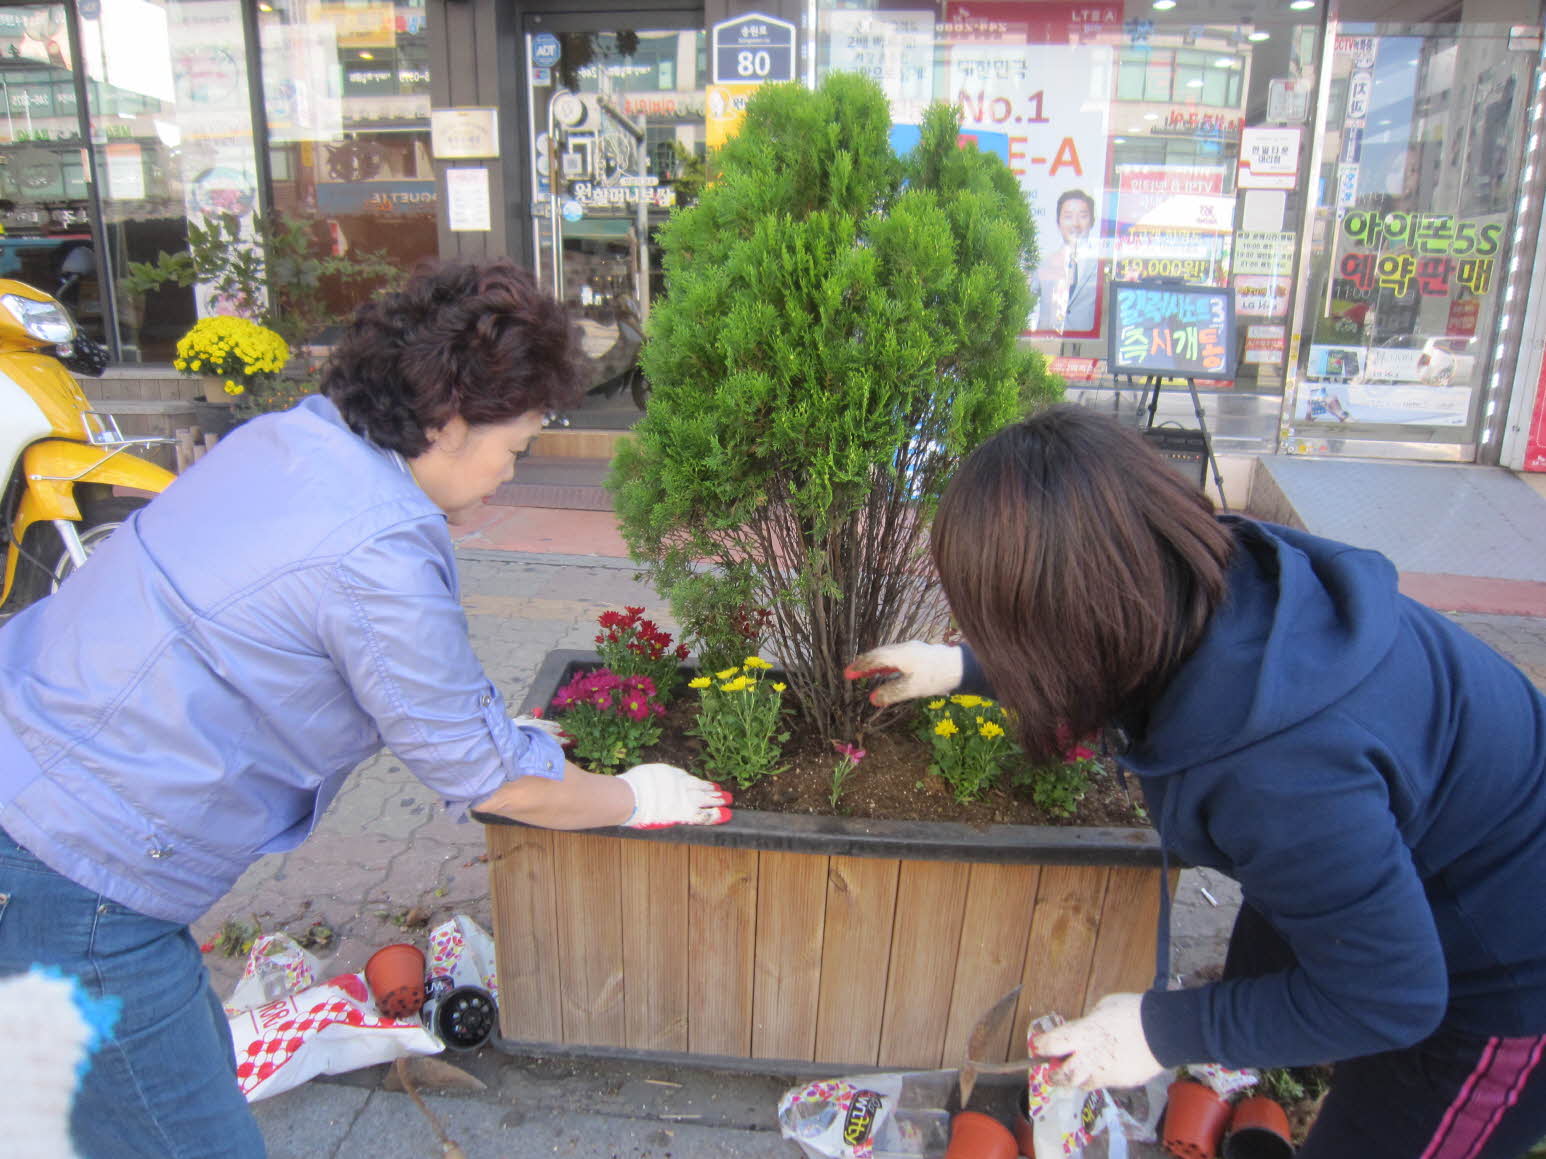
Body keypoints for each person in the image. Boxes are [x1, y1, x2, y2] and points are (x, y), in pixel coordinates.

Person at [0, 258, 731, 1157]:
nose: (512, 470)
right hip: (79, 879)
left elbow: (343, 667)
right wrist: (638, 795)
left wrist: (498, 733)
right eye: (516, 446)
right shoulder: (380, 547)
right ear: (448, 419)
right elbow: (490, 778)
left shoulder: (292, 440)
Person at [847, 405, 1546, 1157]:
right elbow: (1111, 647)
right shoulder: (1219, 578)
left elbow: (1394, 995)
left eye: (1001, 627)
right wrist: (961, 666)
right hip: (1420, 879)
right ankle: (1246, 1089)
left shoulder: (1279, 774)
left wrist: (1162, 1028)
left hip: (1504, 979)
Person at [1034, 189, 1099, 334]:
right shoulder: (1044, 263)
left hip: (1086, 348)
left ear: (1092, 221)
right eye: (1068, 216)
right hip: (1046, 347)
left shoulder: (1101, 265)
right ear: (1058, 222)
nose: (1075, 224)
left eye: (1083, 216)